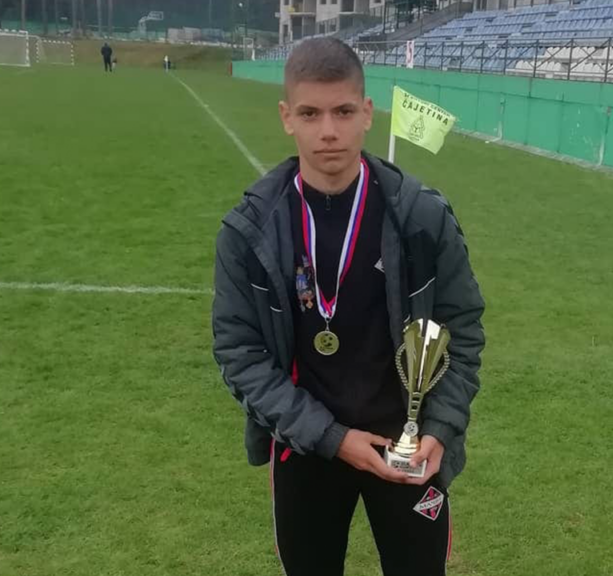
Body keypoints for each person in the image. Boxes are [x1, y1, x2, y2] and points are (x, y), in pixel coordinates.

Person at [211, 37, 485, 576]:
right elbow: (238, 353)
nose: (328, 131)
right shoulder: (249, 230)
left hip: (407, 444)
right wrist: (332, 438)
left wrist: (440, 426)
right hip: (306, 444)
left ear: (367, 113)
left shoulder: (422, 219)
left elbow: (463, 329)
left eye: (342, 111)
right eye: (310, 114)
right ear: (287, 118)